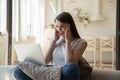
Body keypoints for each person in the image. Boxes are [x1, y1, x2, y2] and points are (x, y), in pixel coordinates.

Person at [14, 12, 90, 80]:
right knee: (19, 70)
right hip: (51, 72)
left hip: (64, 74)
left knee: (73, 68)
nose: (59, 29)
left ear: (70, 26)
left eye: (62, 26)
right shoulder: (54, 40)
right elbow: (46, 61)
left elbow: (69, 63)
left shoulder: (81, 43)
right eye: (57, 26)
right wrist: (54, 42)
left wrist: (67, 41)